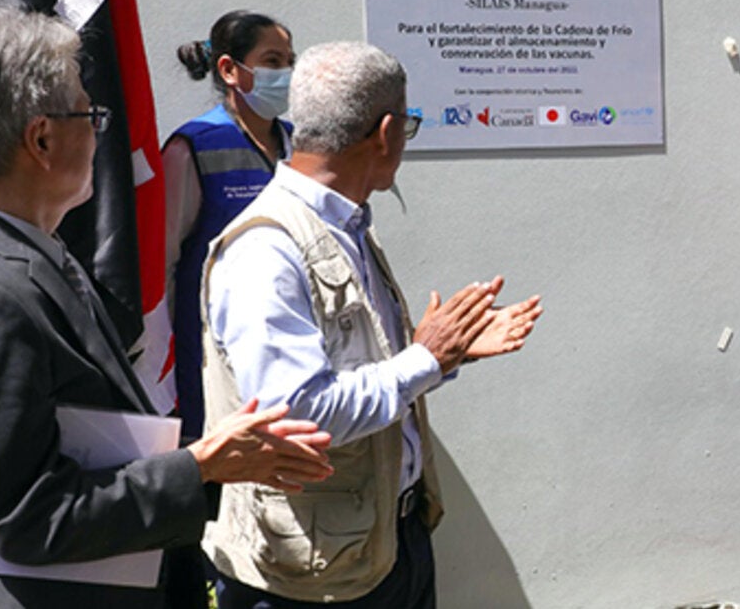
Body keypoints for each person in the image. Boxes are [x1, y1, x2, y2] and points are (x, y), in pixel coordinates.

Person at [0, 2, 335, 609]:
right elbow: (26, 516)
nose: (100, 132)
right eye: (91, 112)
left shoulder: (25, 251)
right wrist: (201, 467)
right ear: (41, 137)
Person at [201, 41, 542, 608]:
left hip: (382, 543)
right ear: (386, 132)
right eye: (408, 126)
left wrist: (445, 357)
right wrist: (425, 359)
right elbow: (300, 414)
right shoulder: (267, 250)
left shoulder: (347, 225)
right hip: (308, 579)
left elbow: (364, 371)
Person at [164, 9, 296, 441]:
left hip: (289, 342)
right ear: (229, 69)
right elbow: (162, 263)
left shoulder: (302, 143)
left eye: (290, 61)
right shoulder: (194, 147)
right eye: (273, 61)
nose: (287, 73)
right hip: (210, 350)